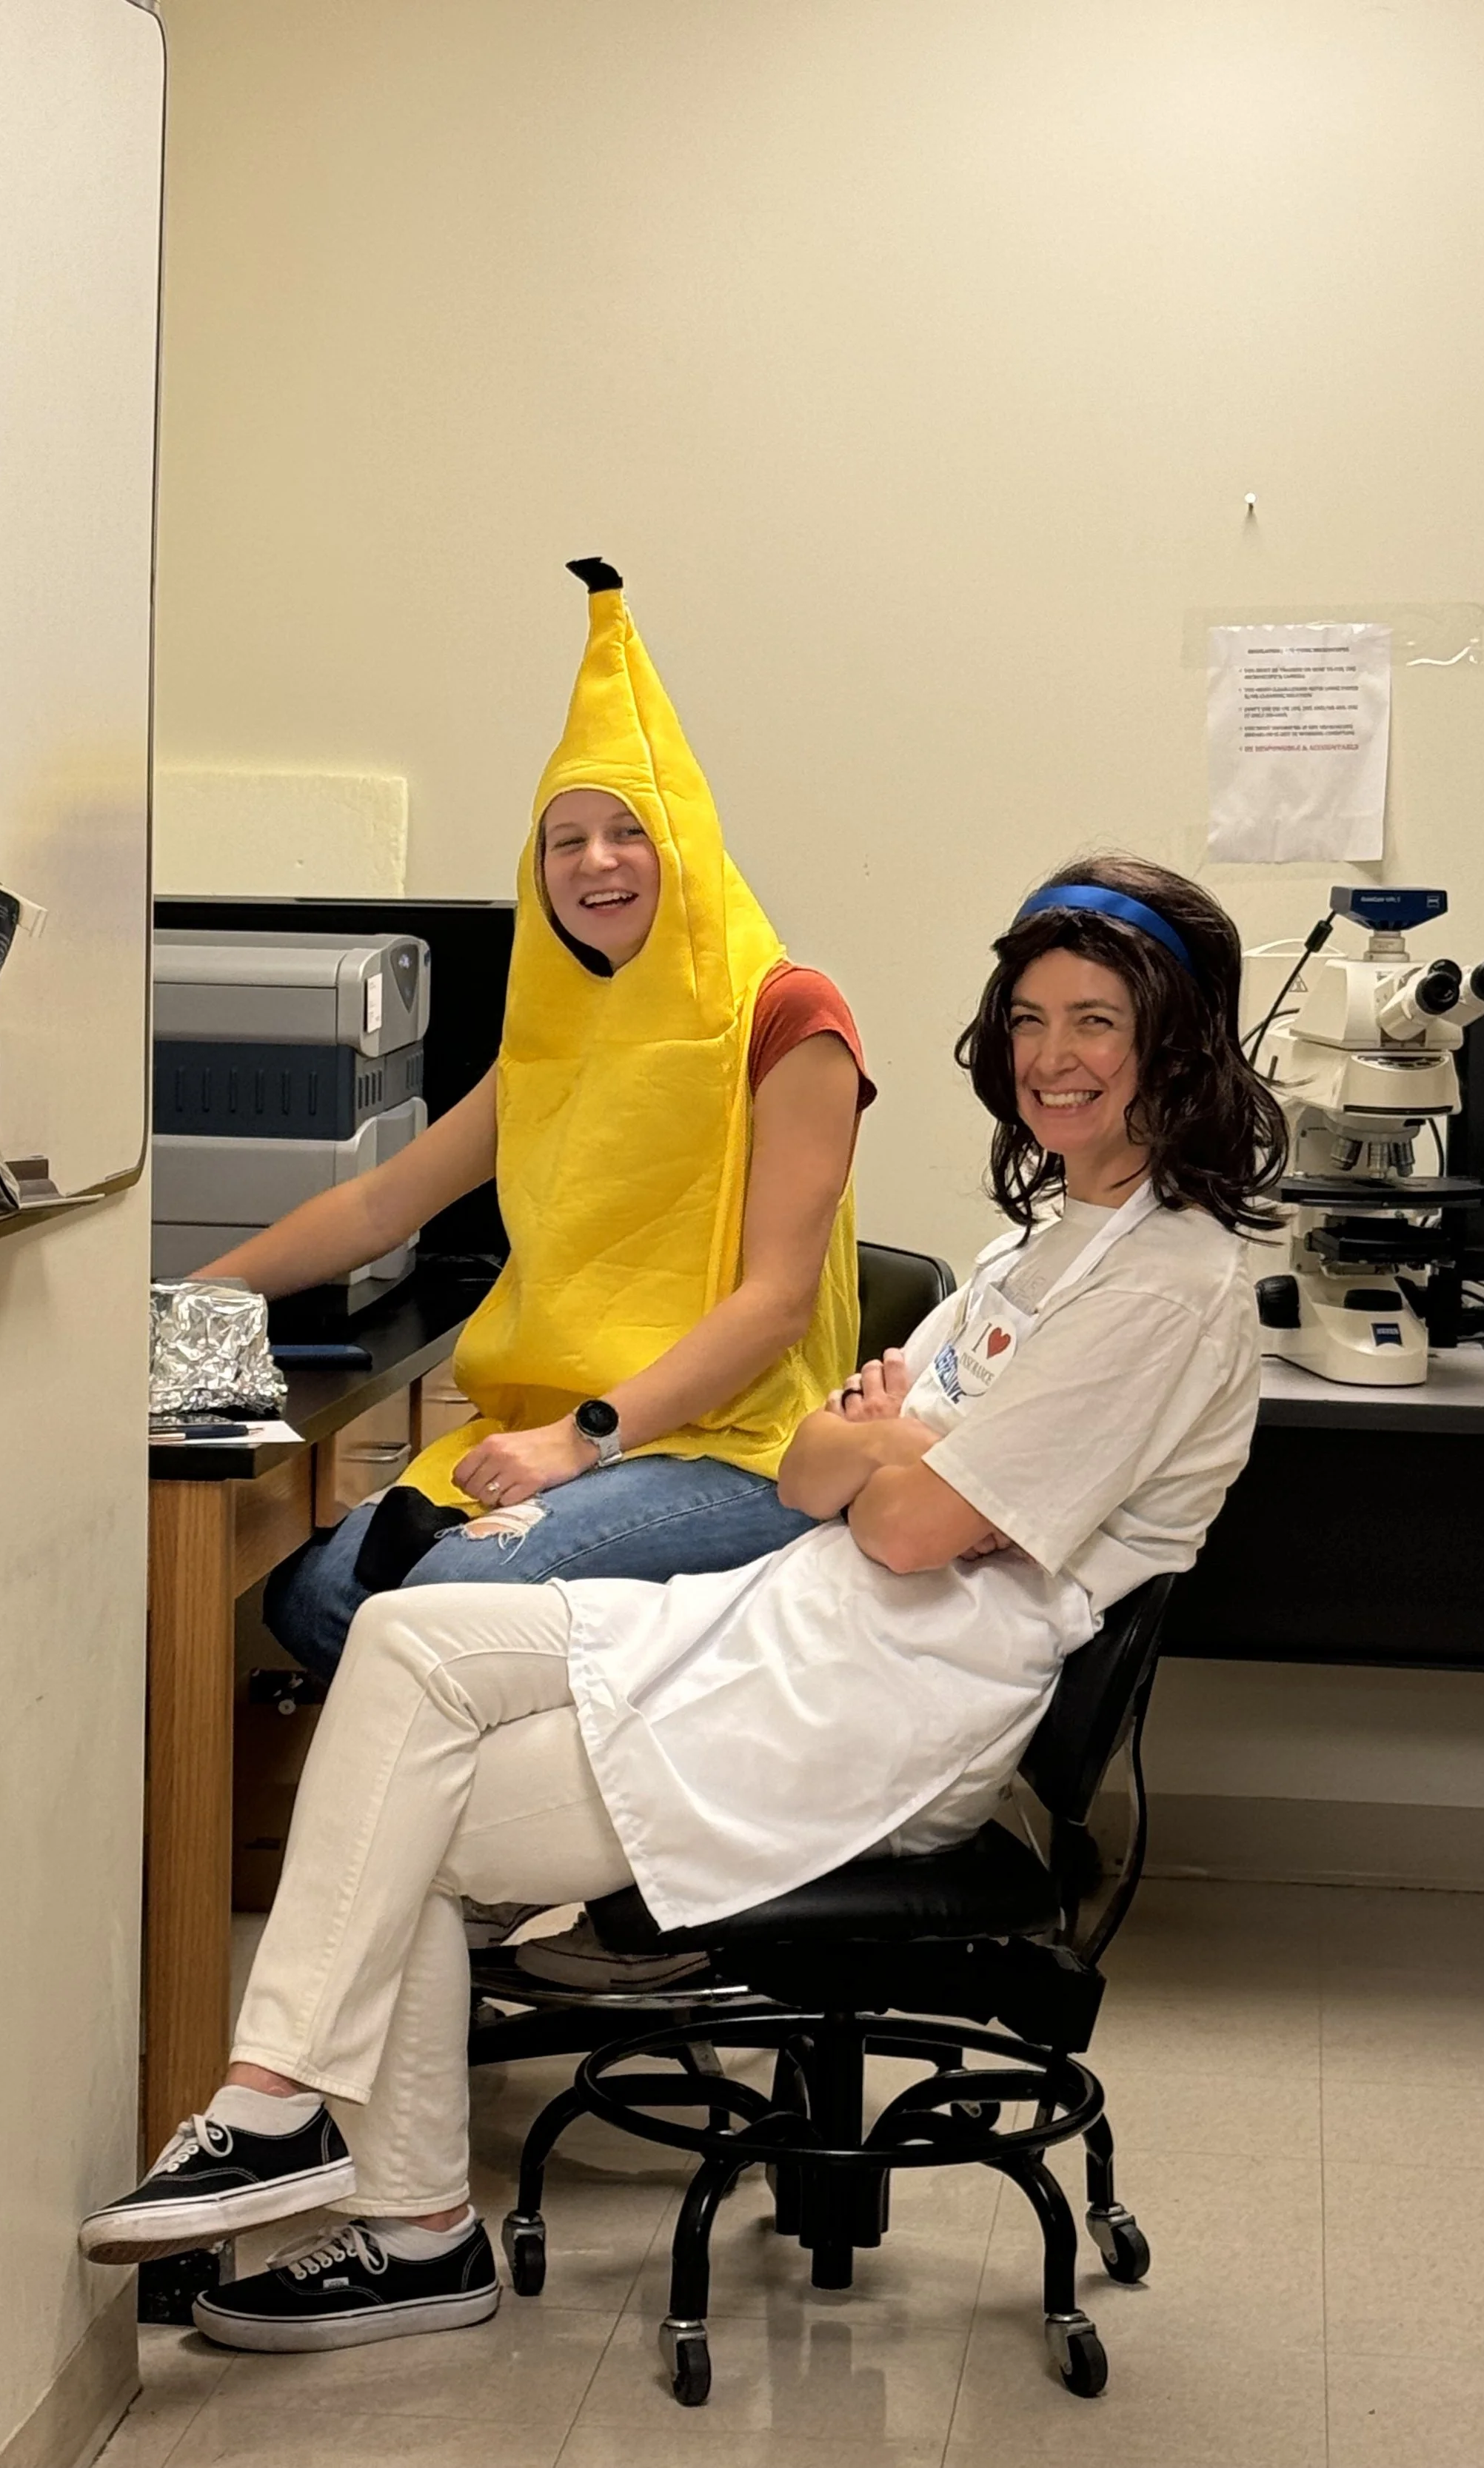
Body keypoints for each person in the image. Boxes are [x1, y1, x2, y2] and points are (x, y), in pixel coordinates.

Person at [81, 854, 1284, 2356]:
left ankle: (408, 2228)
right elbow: (819, 1464)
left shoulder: (1160, 1287)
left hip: (888, 1703)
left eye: (1095, 1021)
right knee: (401, 1639)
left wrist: (887, 1449)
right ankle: (276, 2109)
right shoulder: (1039, 1246)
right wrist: (887, 1448)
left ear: (1174, 1040)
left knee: (406, 1823)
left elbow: (903, 1517)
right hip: (806, 1622)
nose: (1051, 1057)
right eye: (1031, 1016)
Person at [214, 561, 871, 1703]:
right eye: (565, 840)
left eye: (628, 831)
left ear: (689, 849)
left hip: (733, 1446)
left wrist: (583, 1440)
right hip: (555, 1425)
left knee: (425, 1614)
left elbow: (774, 1304)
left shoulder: (787, 1013)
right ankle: (510, 1829)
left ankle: (562, 1844)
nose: (596, 862)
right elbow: (380, 1204)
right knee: (310, 1596)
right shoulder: (561, 1033)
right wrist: (185, 1303)